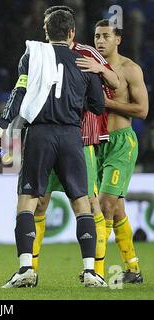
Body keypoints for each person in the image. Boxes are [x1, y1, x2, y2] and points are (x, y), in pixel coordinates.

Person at [0, 10, 105, 288]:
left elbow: (19, 91)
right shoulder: (85, 62)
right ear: (72, 33)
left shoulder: (33, 56)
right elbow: (97, 105)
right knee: (81, 202)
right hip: (72, 135)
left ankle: (26, 268)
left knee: (28, 200)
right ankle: (90, 272)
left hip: (39, 133)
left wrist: (0, 126)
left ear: (46, 33)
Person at [32, 5, 120, 284]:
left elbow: (115, 83)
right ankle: (30, 270)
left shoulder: (88, 53)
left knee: (89, 204)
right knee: (40, 204)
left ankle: (94, 272)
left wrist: (99, 69)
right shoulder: (39, 56)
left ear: (68, 29)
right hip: (48, 139)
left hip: (80, 143)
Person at [93, 19, 149, 284]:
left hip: (122, 143)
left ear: (118, 40)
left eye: (105, 36)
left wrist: (107, 103)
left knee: (103, 205)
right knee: (116, 211)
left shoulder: (130, 69)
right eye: (96, 36)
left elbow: (142, 110)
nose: (100, 41)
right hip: (97, 143)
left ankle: (97, 273)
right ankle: (133, 270)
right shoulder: (91, 68)